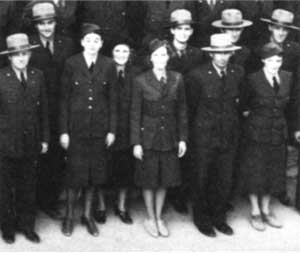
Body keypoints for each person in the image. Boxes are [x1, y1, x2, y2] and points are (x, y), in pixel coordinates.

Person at [59, 23, 116, 237]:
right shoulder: (71, 63)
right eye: (88, 40)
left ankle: (87, 215)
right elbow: (64, 100)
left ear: (101, 44)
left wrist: (111, 130)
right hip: (77, 130)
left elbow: (112, 100)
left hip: (99, 130)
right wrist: (64, 131)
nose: (92, 44)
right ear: (82, 42)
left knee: (94, 175)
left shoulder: (108, 64)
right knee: (75, 175)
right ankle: (69, 217)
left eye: (96, 41)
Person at [186, 33, 244, 237]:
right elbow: (191, 109)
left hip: (228, 135)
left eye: (226, 52)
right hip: (204, 137)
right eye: (218, 53)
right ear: (211, 54)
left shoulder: (238, 72)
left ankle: (219, 218)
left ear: (231, 53)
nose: (222, 57)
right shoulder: (197, 75)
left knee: (223, 179)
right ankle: (202, 220)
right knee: (202, 178)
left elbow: (239, 104)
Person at [131, 39, 188, 237]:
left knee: (164, 178)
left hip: (170, 135)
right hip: (149, 136)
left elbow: (182, 110)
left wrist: (182, 138)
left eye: (164, 55)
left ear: (168, 57)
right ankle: (150, 218)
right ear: (150, 58)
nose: (160, 59)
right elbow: (135, 113)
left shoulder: (177, 78)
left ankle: (159, 216)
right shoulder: (141, 80)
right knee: (149, 179)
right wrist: (136, 142)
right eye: (156, 55)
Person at [27, 0, 75, 220]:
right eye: (42, 24)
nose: (47, 27)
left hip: (61, 107)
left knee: (56, 155)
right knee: (37, 153)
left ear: (56, 23)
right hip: (36, 107)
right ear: (35, 26)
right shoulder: (29, 46)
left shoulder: (67, 43)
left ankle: (50, 201)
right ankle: (33, 202)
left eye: (50, 22)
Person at [0, 33, 49, 244]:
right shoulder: (1, 78)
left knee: (28, 186)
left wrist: (45, 138)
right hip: (5, 142)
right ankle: (8, 227)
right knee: (5, 188)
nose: (21, 58)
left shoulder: (38, 76)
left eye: (25, 54)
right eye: (16, 55)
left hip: (31, 141)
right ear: (10, 57)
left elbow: (44, 111)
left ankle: (27, 226)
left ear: (30, 55)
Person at [239, 42, 292, 231]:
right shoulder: (253, 79)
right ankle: (255, 211)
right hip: (257, 132)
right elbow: (244, 106)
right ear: (263, 61)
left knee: (273, 170)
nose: (275, 64)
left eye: (278, 60)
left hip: (278, 131)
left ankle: (266, 209)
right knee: (256, 171)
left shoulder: (287, 77)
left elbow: (290, 106)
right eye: (270, 60)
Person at [254, 8, 300, 206]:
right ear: (270, 26)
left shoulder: (294, 50)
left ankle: (281, 189)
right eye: (277, 27)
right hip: (264, 104)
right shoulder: (260, 49)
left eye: (285, 29)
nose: (281, 32)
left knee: (286, 149)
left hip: (287, 103)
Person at [166, 9, 203, 214]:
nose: (183, 33)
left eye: (187, 29)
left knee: (189, 151)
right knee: (172, 151)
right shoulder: (164, 52)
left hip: (192, 107)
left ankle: (186, 192)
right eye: (179, 29)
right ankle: (174, 195)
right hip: (170, 108)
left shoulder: (197, 54)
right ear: (172, 31)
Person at [105, 38, 137, 225]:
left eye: (125, 51)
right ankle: (100, 206)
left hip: (126, 127)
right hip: (106, 127)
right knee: (103, 167)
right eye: (117, 51)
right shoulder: (103, 71)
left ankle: (122, 206)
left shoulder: (135, 73)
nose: (121, 55)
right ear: (111, 54)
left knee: (125, 169)